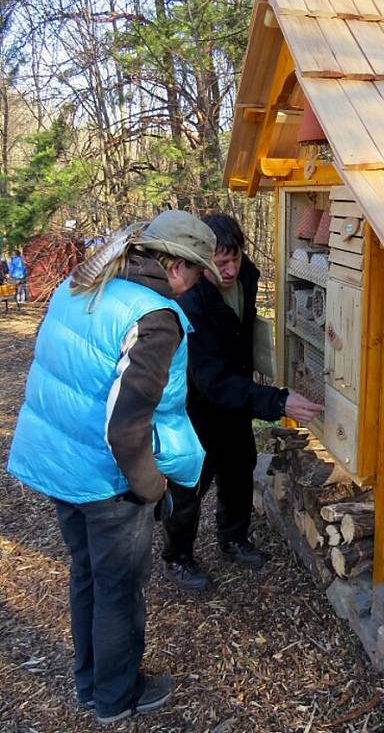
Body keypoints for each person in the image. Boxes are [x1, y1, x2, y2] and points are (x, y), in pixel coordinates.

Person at [7, 210, 222, 725]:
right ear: (173, 266)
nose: (194, 287)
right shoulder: (154, 319)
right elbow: (126, 427)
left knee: (88, 575)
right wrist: (149, 488)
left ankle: (90, 684)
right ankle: (117, 696)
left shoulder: (81, 287)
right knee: (120, 590)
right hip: (107, 481)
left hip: (60, 465)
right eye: (195, 273)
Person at [162, 213, 322, 591]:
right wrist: (276, 401)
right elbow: (210, 378)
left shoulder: (246, 275)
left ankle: (233, 538)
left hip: (237, 392)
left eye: (235, 258)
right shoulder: (191, 301)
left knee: (239, 466)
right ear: (202, 261)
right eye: (220, 264)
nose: (231, 269)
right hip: (197, 401)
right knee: (191, 480)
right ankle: (178, 556)